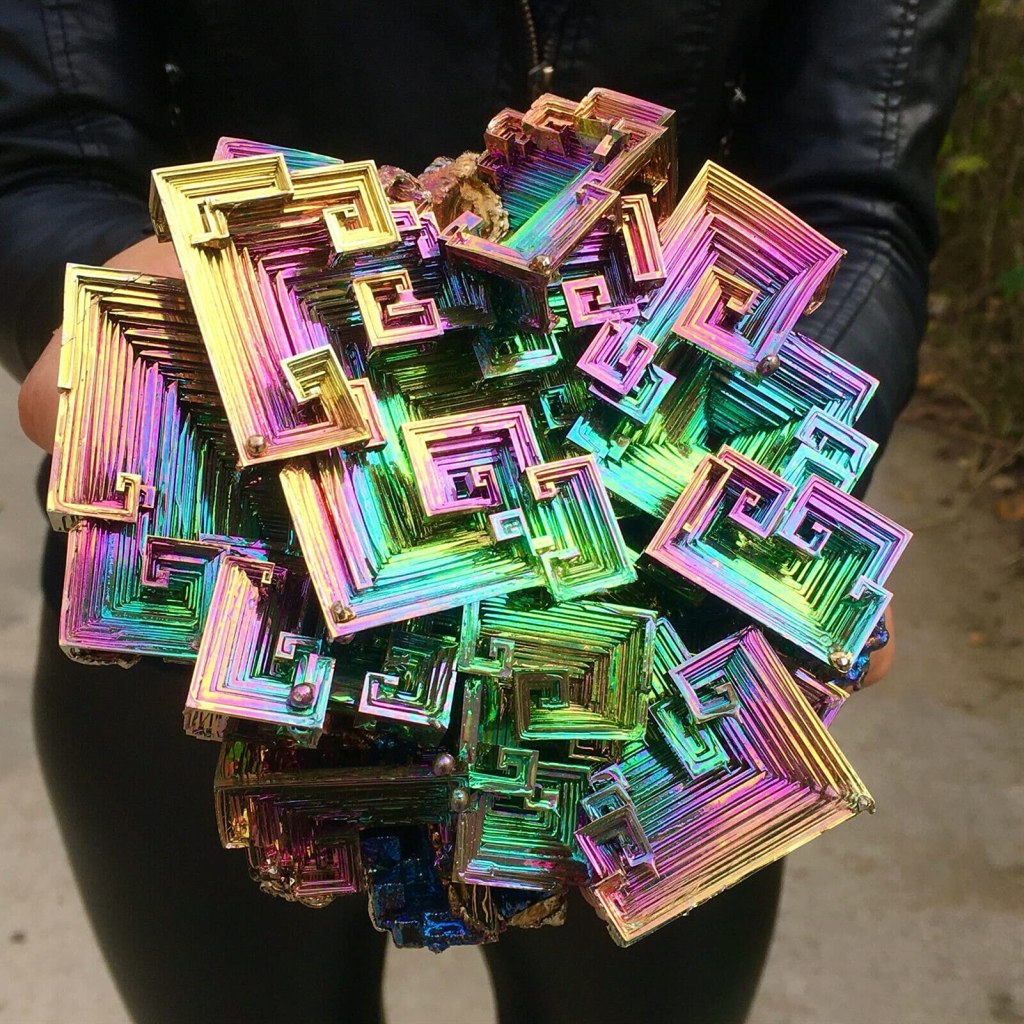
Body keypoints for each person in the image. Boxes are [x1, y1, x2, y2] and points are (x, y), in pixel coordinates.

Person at [2, 2, 972, 1021]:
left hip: (648, 609)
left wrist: (778, 460)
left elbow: (857, 201)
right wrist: (130, 316)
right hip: (225, 556)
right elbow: (43, 160)